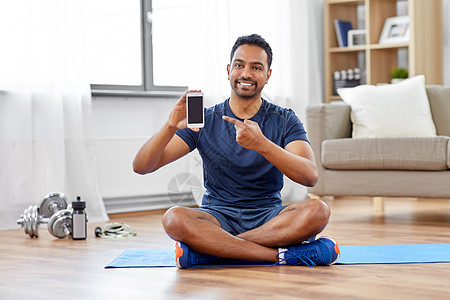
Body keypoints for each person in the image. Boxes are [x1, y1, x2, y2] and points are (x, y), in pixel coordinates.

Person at [133, 34, 340, 268]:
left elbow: (310, 176)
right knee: (173, 218)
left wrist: (261, 144)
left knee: (318, 211)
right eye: (239, 65)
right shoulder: (203, 119)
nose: (246, 74)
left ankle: (213, 251)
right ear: (229, 69)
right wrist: (169, 126)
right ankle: (280, 255)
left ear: (268, 75)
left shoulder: (284, 119)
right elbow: (141, 166)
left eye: (256, 67)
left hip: (269, 217)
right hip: (217, 216)